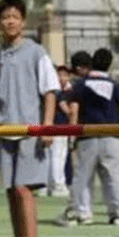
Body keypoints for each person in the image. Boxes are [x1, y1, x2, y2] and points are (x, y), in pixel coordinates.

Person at [0, 0, 60, 237]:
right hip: (4, 132)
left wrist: (48, 126)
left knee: (24, 190)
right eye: (5, 17)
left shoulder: (36, 52)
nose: (10, 21)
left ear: (23, 21)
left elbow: (50, 90)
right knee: (10, 192)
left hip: (30, 130)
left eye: (15, 16)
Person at [57, 49, 119, 227]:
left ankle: (82, 213)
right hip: (112, 135)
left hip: (88, 135)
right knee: (114, 176)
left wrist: (73, 134)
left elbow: (74, 110)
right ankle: (118, 213)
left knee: (83, 176)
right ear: (109, 64)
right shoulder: (114, 85)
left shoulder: (81, 84)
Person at [47, 66, 72, 198]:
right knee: (58, 157)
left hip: (56, 128)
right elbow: (66, 109)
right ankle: (58, 185)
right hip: (59, 127)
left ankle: (50, 185)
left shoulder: (54, 91)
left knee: (53, 157)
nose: (62, 78)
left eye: (65, 75)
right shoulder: (58, 92)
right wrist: (72, 112)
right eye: (60, 75)